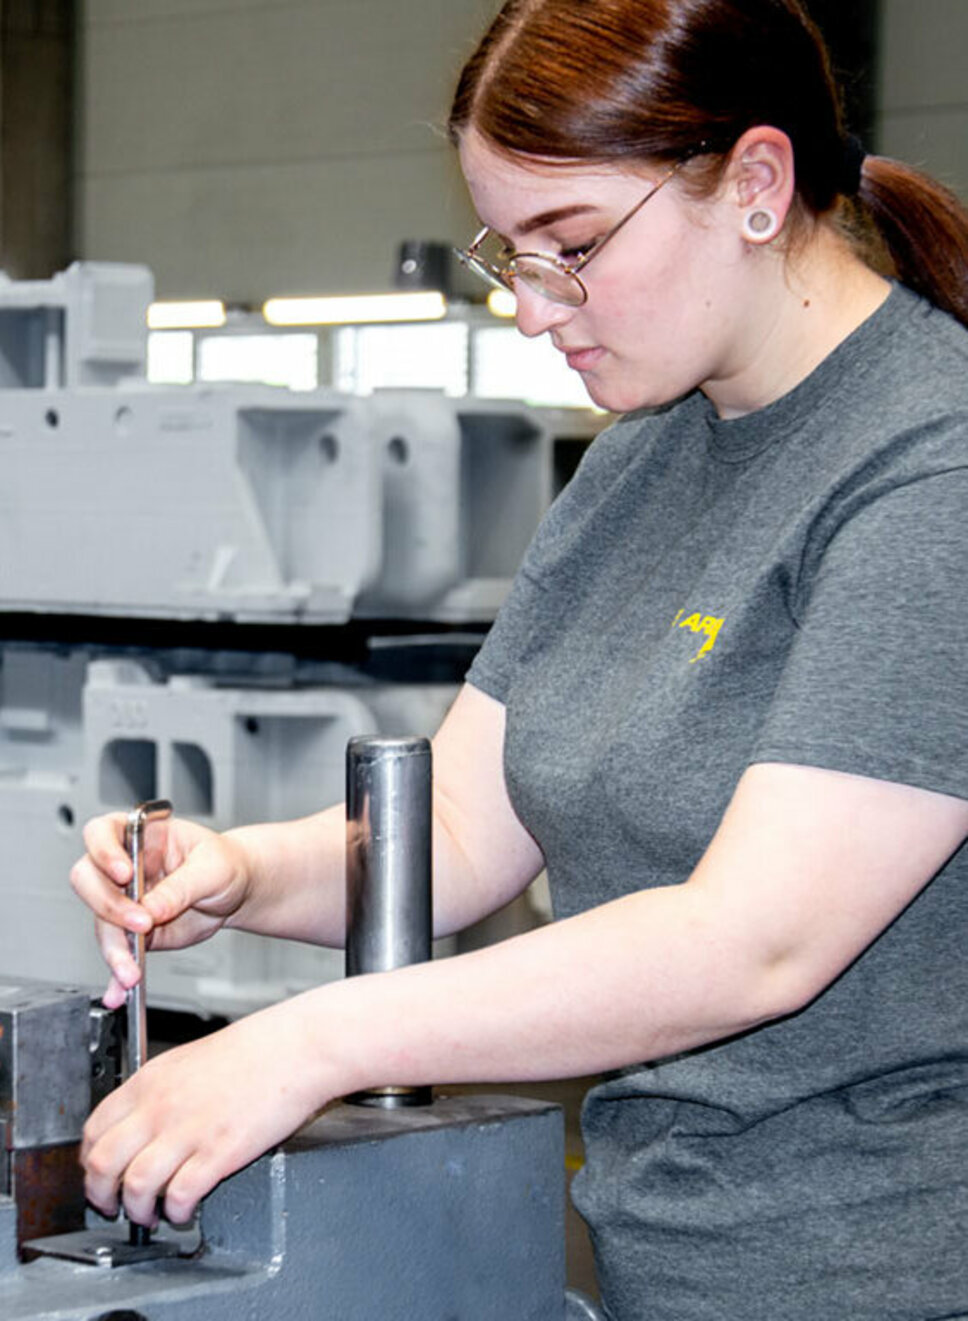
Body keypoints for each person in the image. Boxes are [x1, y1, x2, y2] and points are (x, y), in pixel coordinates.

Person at [71, 1, 968, 1316]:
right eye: (513, 254)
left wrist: (308, 1042)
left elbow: (756, 940)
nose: (539, 310)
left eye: (575, 248)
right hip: (667, 1258)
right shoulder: (642, 458)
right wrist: (242, 870)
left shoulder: (927, 469)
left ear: (758, 185)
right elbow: (456, 823)